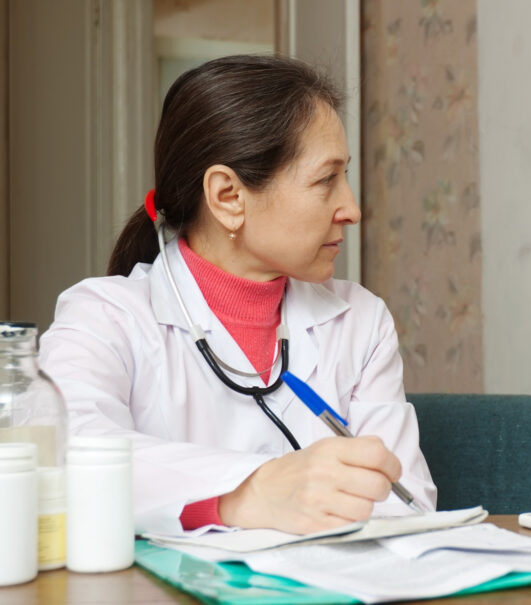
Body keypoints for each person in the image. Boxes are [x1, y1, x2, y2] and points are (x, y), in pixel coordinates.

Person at [39, 54, 436, 536]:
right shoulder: (103, 317)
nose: (351, 209)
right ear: (228, 196)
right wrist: (248, 494)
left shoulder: (361, 322)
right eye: (326, 180)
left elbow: (405, 504)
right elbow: (69, 457)